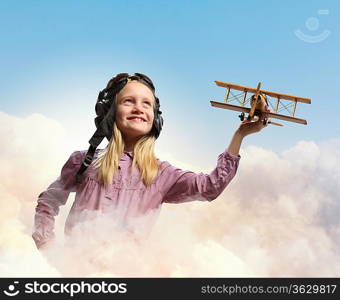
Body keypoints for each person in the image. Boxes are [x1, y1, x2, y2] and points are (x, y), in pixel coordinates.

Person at [32, 73, 268, 250]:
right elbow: (49, 200)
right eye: (128, 101)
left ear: (156, 119)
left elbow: (210, 187)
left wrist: (240, 135)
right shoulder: (83, 162)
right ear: (110, 112)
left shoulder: (162, 174)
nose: (138, 108)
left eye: (147, 103)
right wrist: (48, 247)